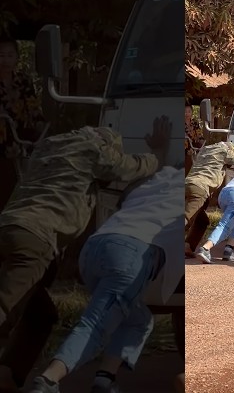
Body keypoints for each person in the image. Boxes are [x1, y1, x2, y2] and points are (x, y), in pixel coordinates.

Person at [0, 116, 170, 393]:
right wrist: (159, 151)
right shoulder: (95, 150)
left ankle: (7, 376)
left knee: (41, 314)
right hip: (36, 239)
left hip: (8, 227)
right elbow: (136, 167)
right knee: (6, 308)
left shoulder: (49, 146)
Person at [26, 164, 184, 393]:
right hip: (133, 252)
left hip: (95, 247)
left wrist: (158, 148)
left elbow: (126, 196)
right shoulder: (190, 188)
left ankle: (104, 380)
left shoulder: (157, 179)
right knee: (95, 324)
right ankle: (48, 380)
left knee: (138, 319)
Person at [184, 138, 234, 258]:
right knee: (187, 217)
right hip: (200, 188)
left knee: (202, 221)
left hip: (188, 184)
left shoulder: (206, 150)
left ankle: (188, 247)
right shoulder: (224, 151)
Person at [0, 37, 46, 210]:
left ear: (17, 58)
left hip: (22, 137)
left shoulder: (23, 80)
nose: (5, 60)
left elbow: (33, 105)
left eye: (10, 55)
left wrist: (41, 124)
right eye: (1, 55)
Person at [184, 104, 204, 175]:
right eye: (185, 111)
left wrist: (201, 140)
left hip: (195, 145)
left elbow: (199, 133)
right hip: (185, 148)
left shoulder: (195, 123)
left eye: (189, 111)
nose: (187, 113)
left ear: (191, 112)